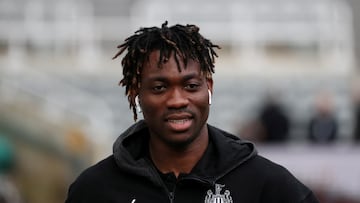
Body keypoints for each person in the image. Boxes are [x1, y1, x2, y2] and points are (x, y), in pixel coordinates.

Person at [65, 21, 319, 203]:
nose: (177, 100)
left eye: (191, 86)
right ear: (135, 93)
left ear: (208, 88)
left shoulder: (268, 186)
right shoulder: (95, 189)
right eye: (160, 87)